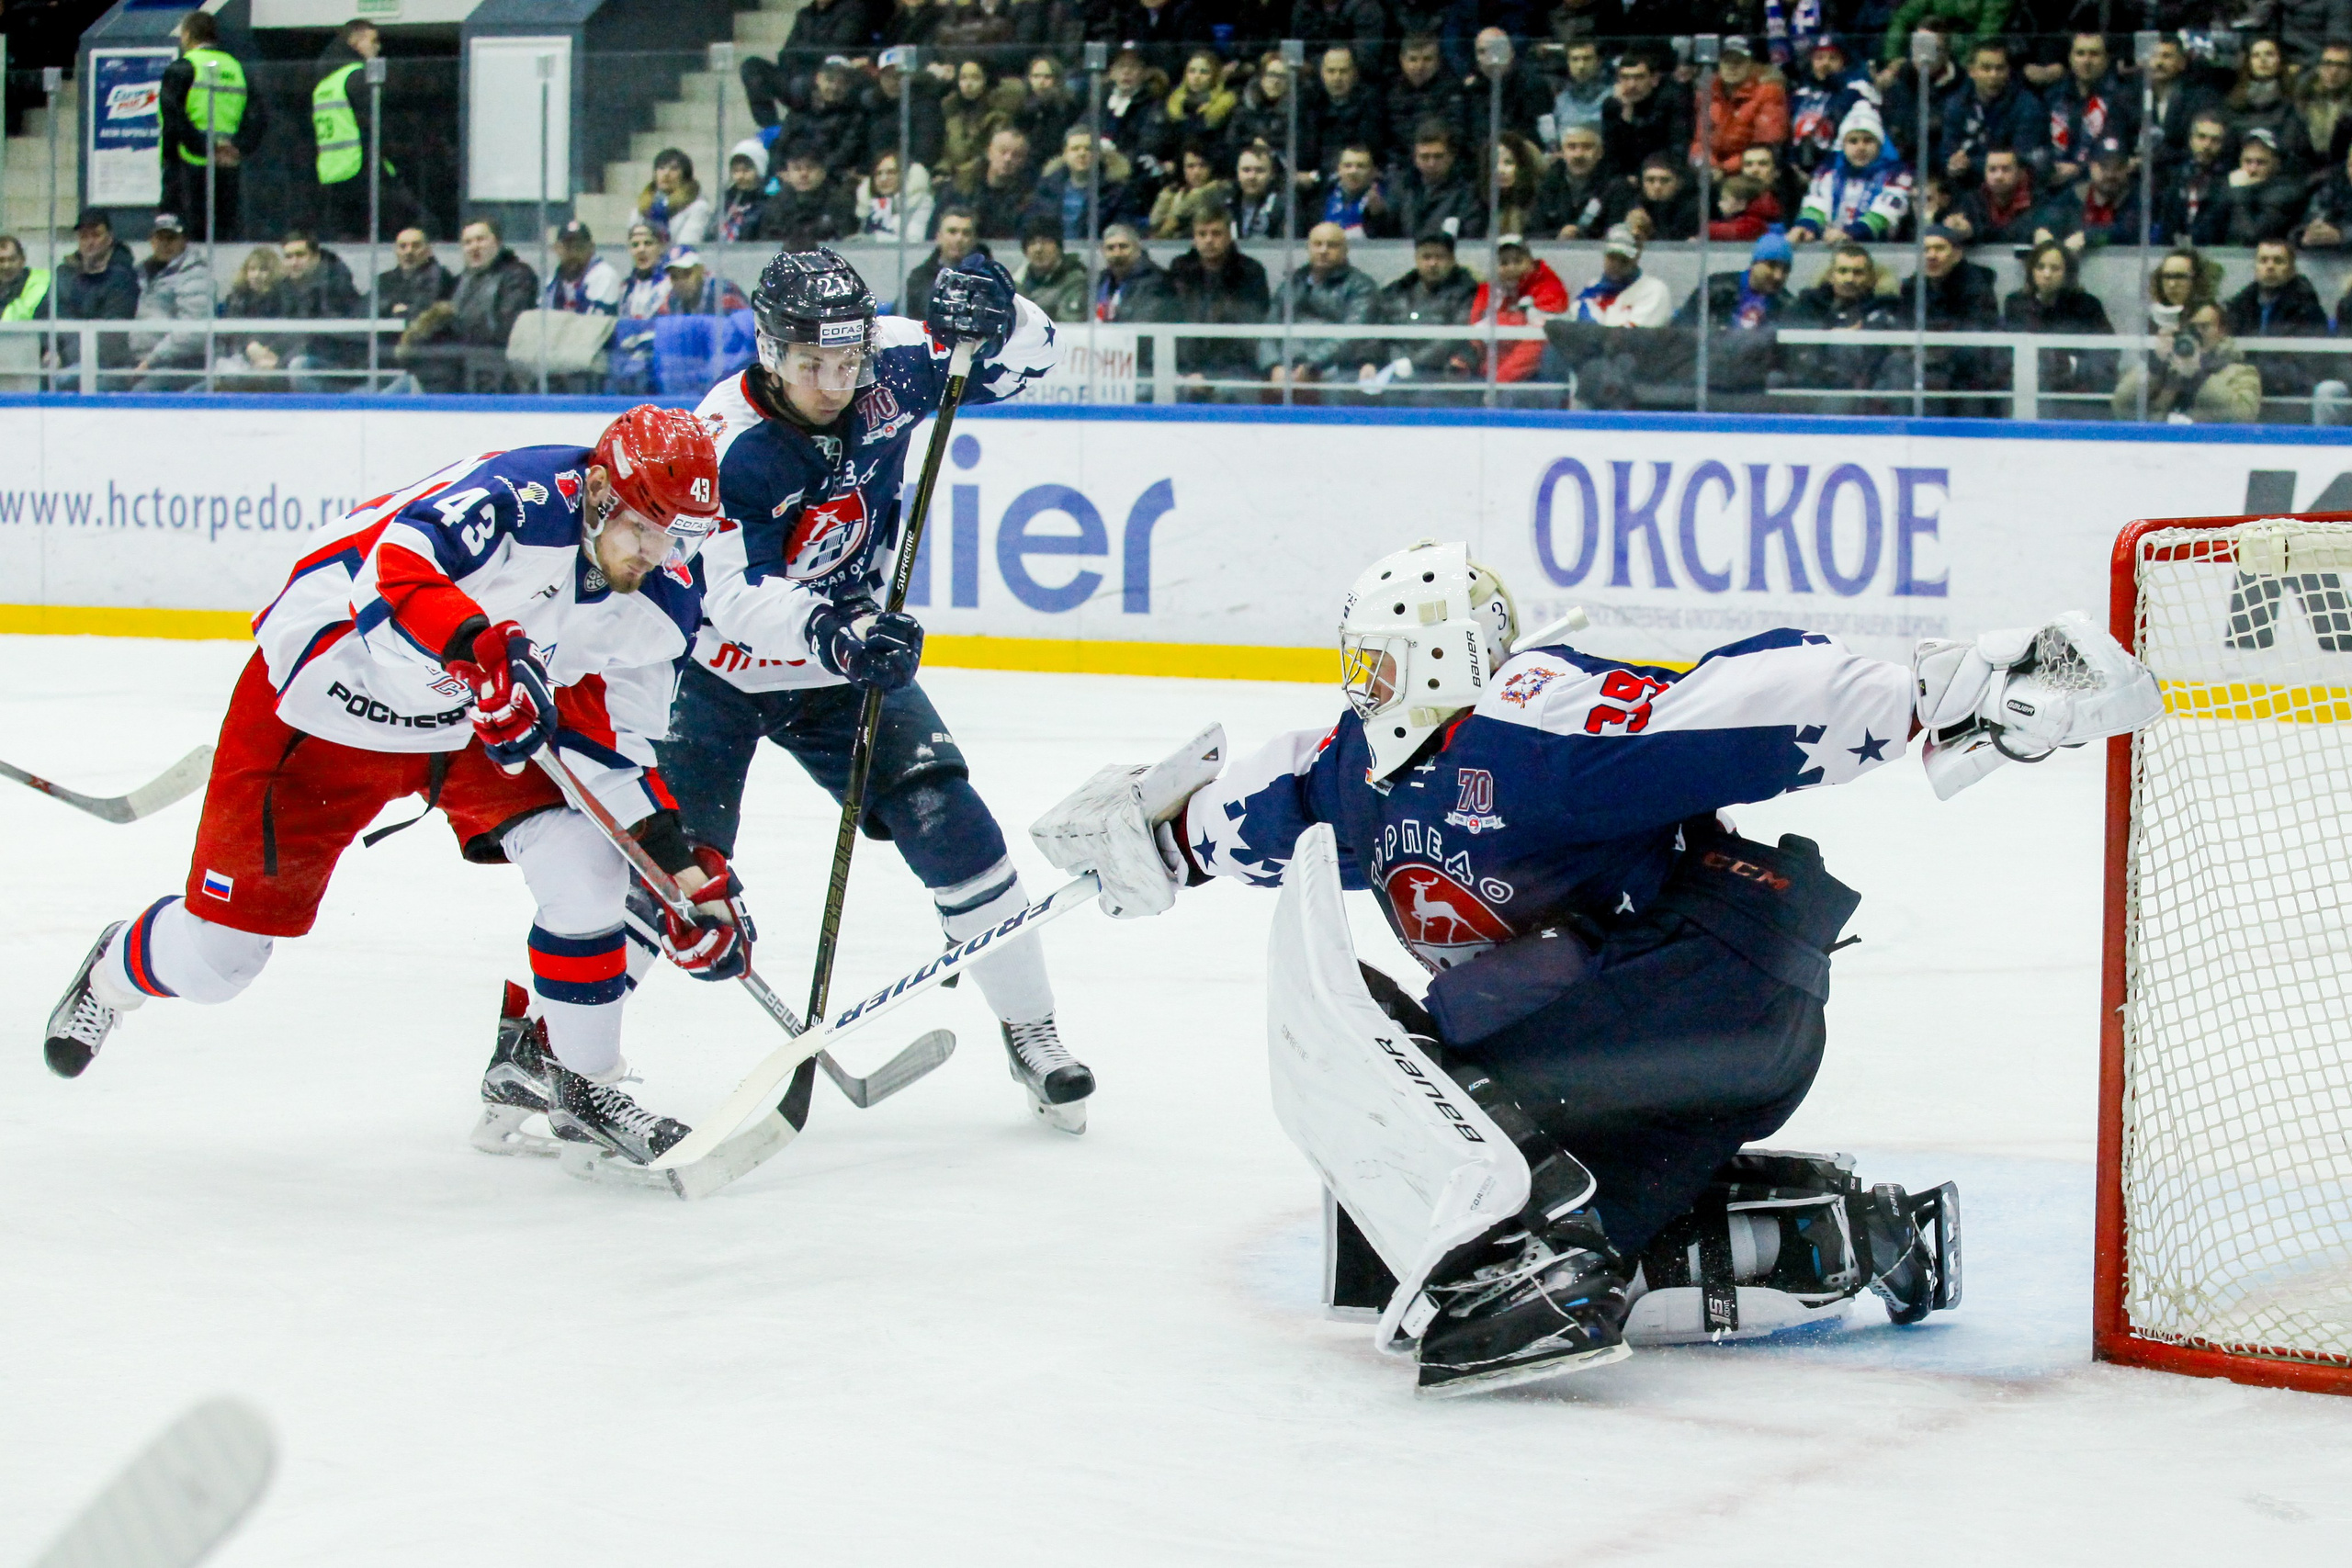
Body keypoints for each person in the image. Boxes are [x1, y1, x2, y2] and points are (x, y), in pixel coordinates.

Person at [1031, 539, 2154, 1393]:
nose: (1359, 681)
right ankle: (1850, 1234)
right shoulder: (1364, 773)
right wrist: (1161, 833)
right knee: (1429, 1129)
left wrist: (1958, 687)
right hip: (1668, 1028)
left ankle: (1556, 1265)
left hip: (1714, 982)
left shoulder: (1537, 733)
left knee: (1448, 1052)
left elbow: (1738, 702)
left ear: (1437, 659)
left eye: (1378, 661)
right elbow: (1276, 802)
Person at [43, 408, 739, 1169]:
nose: (657, 552)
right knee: (218, 962)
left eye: (680, 535)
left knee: (591, 870)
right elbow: (393, 570)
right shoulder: (520, 498)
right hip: (330, 704)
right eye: (644, 526)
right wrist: (478, 652)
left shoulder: (662, 601)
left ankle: (580, 1081)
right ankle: (116, 968)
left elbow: (616, 749)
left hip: (472, 720)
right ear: (602, 492)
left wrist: (681, 875)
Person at [675, 248, 1088, 1130]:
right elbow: (730, 594)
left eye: (846, 361)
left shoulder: (895, 360)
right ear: (767, 350)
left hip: (842, 656)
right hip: (713, 672)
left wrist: (1004, 314)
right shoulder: (726, 443)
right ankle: (544, 1048)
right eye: (811, 364)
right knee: (668, 872)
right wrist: (838, 631)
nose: (834, 381)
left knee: (950, 813)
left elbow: (1033, 362)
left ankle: (1031, 1029)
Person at [158, 10, 266, 242]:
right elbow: (258, 116)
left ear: (187, 35)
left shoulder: (183, 67)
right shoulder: (237, 68)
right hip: (228, 164)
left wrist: (201, 147)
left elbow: (173, 119)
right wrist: (238, 147)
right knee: (224, 234)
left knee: (187, 237)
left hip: (188, 164)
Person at [403, 218, 537, 394]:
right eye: (467, 242)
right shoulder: (461, 281)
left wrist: (454, 333)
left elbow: (506, 329)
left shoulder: (517, 275)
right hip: (458, 369)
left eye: (480, 239)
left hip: (495, 375)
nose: (474, 246)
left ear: (497, 242)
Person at [311, 19, 406, 243]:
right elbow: (373, 123)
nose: (378, 47)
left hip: (333, 172)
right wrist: (394, 152)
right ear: (354, 42)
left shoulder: (325, 84)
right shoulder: (357, 77)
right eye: (373, 41)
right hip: (363, 169)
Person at [1164, 205, 1272, 397]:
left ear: (1229, 236)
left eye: (1216, 233)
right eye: (1202, 234)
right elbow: (1173, 320)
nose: (1209, 240)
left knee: (1228, 393)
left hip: (1236, 366)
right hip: (1187, 366)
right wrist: (1189, 371)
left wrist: (1209, 375)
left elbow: (1250, 330)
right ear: (1194, 238)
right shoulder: (1180, 269)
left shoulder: (1249, 271)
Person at [1779, 241, 1899, 412]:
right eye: (1843, 271)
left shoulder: (1885, 309)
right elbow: (1787, 339)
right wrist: (1828, 334)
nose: (1849, 279)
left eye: (1858, 272)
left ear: (1870, 277)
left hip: (1859, 388)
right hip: (1810, 383)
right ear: (1831, 275)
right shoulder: (1808, 304)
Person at [1262, 220, 1377, 393]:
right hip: (1287, 367)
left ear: (1346, 250)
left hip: (1335, 369)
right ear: (1308, 248)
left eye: (1332, 245)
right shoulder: (1292, 283)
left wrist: (1311, 365)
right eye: (1318, 244)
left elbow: (1351, 336)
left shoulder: (1362, 286)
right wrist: (1274, 365)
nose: (1323, 250)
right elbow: (1269, 328)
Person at [1364, 229, 1477, 402]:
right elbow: (1379, 331)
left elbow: (1454, 338)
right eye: (1426, 257)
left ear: (1452, 260)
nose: (1432, 263)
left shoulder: (1468, 293)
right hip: (1395, 371)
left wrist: (1412, 363)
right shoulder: (1397, 291)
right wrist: (1370, 361)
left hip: (1441, 373)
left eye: (1440, 257)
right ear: (1416, 259)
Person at [2001, 238, 2114, 400]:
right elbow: (2005, 354)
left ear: (2068, 272)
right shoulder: (2016, 303)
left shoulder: (2087, 305)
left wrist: (2073, 365)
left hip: (2076, 389)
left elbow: (2107, 355)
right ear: (2031, 271)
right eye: (2040, 267)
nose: (2047, 274)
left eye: (2055, 268)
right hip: (2028, 386)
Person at [2113, 299, 2261, 422]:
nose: (2197, 334)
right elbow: (2121, 406)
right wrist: (2156, 366)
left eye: (2204, 327)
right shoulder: (2166, 369)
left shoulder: (2241, 372)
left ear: (2222, 330)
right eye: (2191, 328)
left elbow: (2243, 416)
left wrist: (2198, 377)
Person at [2224, 235, 2333, 404]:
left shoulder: (2308, 309)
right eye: (2263, 260)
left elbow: (2306, 367)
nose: (2270, 266)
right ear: (2255, 267)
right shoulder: (2239, 306)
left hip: (2289, 396)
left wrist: (2251, 374)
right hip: (2242, 389)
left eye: (2278, 261)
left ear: (2292, 269)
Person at [1790, 100, 1913, 243]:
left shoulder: (1896, 175)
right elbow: (1817, 205)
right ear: (1843, 145)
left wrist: (1852, 233)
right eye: (1853, 141)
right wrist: (1806, 227)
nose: (1860, 147)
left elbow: (1885, 213)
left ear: (1879, 145)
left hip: (1882, 251)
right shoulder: (1828, 173)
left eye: (1868, 141)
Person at [741, 0, 872, 126]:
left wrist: (801, 51)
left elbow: (837, 51)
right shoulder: (805, 14)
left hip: (827, 78)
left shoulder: (853, 10)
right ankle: (771, 127)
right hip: (795, 75)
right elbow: (786, 53)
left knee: (801, 83)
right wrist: (805, 53)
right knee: (751, 67)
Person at [1939, 38, 2047, 189]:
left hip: (2010, 187)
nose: (1993, 75)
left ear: (2009, 71)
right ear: (1972, 71)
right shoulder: (1956, 103)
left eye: (1999, 68)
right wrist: (1952, 164)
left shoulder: (2028, 105)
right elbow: (1946, 152)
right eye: (1986, 68)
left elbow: (2022, 159)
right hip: (1964, 186)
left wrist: (1971, 164)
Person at [51, 209, 140, 388]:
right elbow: (48, 311)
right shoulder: (65, 272)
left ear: (110, 237)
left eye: (96, 235)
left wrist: (65, 354)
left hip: (107, 363)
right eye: (84, 236)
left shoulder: (123, 277)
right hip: (64, 355)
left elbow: (111, 332)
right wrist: (50, 348)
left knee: (63, 381)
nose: (90, 242)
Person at [128, 212, 211, 393]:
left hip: (183, 363)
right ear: (152, 241)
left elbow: (193, 332)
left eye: (171, 238)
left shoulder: (195, 274)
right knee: (101, 384)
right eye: (160, 238)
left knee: (140, 394)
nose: (165, 244)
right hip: (141, 361)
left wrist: (151, 361)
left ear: (183, 240)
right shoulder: (140, 273)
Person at [278, 228, 364, 393]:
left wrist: (279, 359)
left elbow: (323, 339)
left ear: (316, 257)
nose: (294, 262)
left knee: (298, 367)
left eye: (300, 255)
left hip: (340, 365)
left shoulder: (335, 287)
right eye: (289, 257)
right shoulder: (285, 286)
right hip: (299, 353)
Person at [1691, 37, 1788, 176]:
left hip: (1748, 171)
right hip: (1712, 171)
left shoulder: (1768, 93)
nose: (1732, 67)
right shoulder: (1706, 94)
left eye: (1739, 61)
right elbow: (1700, 142)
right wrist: (1710, 166)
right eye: (1727, 61)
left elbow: (1766, 145)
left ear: (1750, 64)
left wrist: (1724, 169)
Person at [1025, 129, 1140, 241]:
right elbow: (1031, 227)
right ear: (1065, 154)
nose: (1082, 153)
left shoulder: (1117, 192)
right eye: (1075, 149)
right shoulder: (1047, 189)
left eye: (1088, 149)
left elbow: (1124, 232)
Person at [374, 226, 452, 386]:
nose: (409, 252)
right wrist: (393, 308)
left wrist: (398, 310)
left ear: (428, 250)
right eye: (403, 246)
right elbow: (366, 310)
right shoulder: (384, 279)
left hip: (425, 363)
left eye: (415, 246)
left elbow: (424, 311)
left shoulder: (441, 278)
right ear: (396, 251)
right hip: (384, 360)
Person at [2033, 141, 2143, 253]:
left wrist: (2087, 238)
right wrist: (2042, 230)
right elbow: (2046, 217)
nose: (2110, 174)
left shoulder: (2136, 199)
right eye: (2104, 166)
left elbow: (2128, 232)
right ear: (2091, 167)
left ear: (2127, 169)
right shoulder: (2074, 195)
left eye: (2118, 167)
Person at [209, 246, 293, 389]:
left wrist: (270, 353)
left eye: (263, 270)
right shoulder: (236, 299)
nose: (256, 275)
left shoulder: (286, 298)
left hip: (273, 362)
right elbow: (227, 335)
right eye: (252, 269)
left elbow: (290, 335)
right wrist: (248, 347)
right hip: (237, 361)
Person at [1786, 32, 1867, 175]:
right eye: (1819, 58)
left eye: (1833, 58)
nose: (1825, 63)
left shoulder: (1852, 94)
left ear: (1843, 63)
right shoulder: (1798, 96)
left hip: (1836, 169)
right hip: (1796, 169)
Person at [1600, 51, 1690, 180]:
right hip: (1625, 179)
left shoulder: (1673, 102)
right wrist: (1626, 111)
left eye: (1639, 77)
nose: (1631, 85)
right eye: (1625, 78)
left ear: (1654, 79)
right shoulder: (1612, 105)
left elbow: (1676, 150)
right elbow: (1611, 154)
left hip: (1663, 175)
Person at [939, 126, 1038, 240]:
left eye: (1016, 155)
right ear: (989, 152)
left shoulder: (1029, 197)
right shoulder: (959, 189)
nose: (1008, 159)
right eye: (1003, 151)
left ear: (1024, 161)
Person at [1302, 46, 1385, 181]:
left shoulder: (1370, 104)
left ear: (1354, 73)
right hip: (1316, 179)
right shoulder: (1310, 103)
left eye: (1343, 71)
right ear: (1322, 73)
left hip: (1355, 175)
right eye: (1331, 71)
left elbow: (1369, 148)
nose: (1337, 77)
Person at [756, 141, 858, 247]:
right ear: (787, 174)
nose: (804, 174)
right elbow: (766, 245)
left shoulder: (840, 203)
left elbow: (847, 243)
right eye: (797, 169)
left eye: (810, 168)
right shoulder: (775, 205)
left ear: (823, 172)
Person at [2155, 111, 2234, 246]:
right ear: (2191, 140)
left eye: (2215, 140)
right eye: (2202, 137)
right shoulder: (2172, 177)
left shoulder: (2230, 181)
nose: (2207, 145)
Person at [1396, 123, 1486, 242]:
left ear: (1451, 157)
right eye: (1425, 157)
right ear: (1415, 158)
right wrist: (1376, 215)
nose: (1431, 163)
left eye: (1438, 157)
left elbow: (1471, 237)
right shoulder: (1402, 189)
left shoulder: (1467, 195)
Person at [2216, 130, 2306, 245]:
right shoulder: (2228, 185)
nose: (2252, 169)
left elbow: (2251, 237)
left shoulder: (2287, 193)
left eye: (2260, 162)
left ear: (2276, 164)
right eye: (2248, 161)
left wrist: (2238, 191)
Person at [1565, 222, 1664, 327]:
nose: (1616, 264)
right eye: (1612, 257)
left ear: (1636, 258)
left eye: (1623, 260)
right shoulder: (1593, 288)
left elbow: (1632, 339)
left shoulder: (1654, 291)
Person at [1535, 123, 1619, 238]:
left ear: (1600, 152)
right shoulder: (1548, 185)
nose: (1578, 154)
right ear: (1562, 153)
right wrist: (1558, 235)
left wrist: (1581, 235)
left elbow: (1616, 234)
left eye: (1587, 147)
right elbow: (1532, 234)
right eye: (1572, 147)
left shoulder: (1616, 187)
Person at [1391, 33, 1469, 154]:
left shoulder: (1451, 89)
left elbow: (1456, 131)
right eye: (1413, 59)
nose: (1420, 66)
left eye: (1427, 59)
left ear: (1438, 61)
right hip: (1402, 158)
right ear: (1402, 60)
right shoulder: (1392, 90)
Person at [904, 206, 986, 320]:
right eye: (952, 232)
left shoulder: (987, 278)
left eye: (966, 233)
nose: (959, 239)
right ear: (939, 237)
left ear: (973, 240)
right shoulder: (919, 278)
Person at [1945, 145, 2038, 245]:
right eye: (1992, 170)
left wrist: (1973, 232)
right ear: (1985, 173)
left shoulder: (2036, 200)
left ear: (2020, 173)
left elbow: (2022, 234)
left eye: (2006, 169)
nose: (1998, 176)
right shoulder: (1972, 200)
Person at [1150, 142, 1235, 240]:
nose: (1196, 172)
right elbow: (1155, 229)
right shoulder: (1171, 193)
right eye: (1190, 166)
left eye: (1202, 165)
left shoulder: (1220, 190)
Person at [1610, 152, 1701, 242]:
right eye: (1650, 180)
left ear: (1679, 183)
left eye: (1665, 180)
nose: (1657, 186)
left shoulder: (1692, 210)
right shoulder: (1630, 206)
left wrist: (1648, 230)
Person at [1317, 143, 1400, 237]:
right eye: (1348, 166)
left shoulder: (1387, 199)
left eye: (1361, 166)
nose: (1353, 171)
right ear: (1339, 169)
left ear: (1373, 171)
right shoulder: (1323, 197)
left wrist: (1379, 215)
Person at [543, 220, 620, 319]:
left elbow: (594, 324)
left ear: (592, 248)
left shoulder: (604, 275)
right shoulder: (550, 284)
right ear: (556, 248)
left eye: (579, 247)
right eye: (568, 247)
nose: (573, 253)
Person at [1014, 219, 1089, 321]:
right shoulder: (1015, 284)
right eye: (1032, 243)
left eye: (1046, 242)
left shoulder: (1075, 279)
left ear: (1059, 247)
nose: (1038, 249)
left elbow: (1070, 324)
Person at [854, 149, 934, 243]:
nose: (883, 179)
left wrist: (876, 239)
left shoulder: (921, 201)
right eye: (878, 174)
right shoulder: (868, 205)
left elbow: (914, 242)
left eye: (891, 172)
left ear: (904, 175)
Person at [1093, 222, 1170, 321]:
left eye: (1123, 246)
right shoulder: (1101, 280)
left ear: (1137, 249)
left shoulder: (1156, 282)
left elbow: (1143, 324)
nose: (1117, 254)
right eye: (1110, 248)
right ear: (1103, 252)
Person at [639, 149, 713, 245]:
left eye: (674, 169)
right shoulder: (642, 208)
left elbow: (687, 246)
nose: (666, 174)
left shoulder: (698, 207)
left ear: (685, 175)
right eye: (661, 168)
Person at [1230, 142, 1288, 238]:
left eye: (1259, 170)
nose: (1252, 177)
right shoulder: (1226, 203)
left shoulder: (1284, 204)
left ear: (1272, 174)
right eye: (1246, 170)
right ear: (1237, 173)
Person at [720, 152, 772, 243]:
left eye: (746, 170)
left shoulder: (767, 203)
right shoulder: (727, 200)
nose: (740, 176)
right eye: (736, 171)